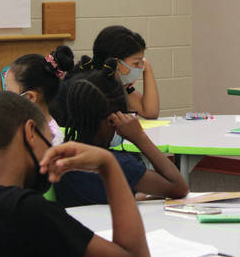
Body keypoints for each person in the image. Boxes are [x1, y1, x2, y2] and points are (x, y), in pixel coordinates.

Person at [0, 91, 151, 257]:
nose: (51, 149)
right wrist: (108, 166)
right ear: (30, 133)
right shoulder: (27, 210)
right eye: (49, 139)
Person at [54, 63, 188, 207]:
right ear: (112, 120)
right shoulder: (117, 164)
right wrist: (140, 138)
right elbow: (179, 187)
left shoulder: (62, 158)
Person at [54, 25, 159, 120]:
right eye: (136, 63)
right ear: (116, 63)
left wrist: (147, 68)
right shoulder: (89, 87)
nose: (141, 67)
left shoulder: (117, 83)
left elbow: (150, 112)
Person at [4, 46, 74, 145]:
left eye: (8, 91)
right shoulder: (20, 125)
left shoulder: (52, 140)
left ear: (29, 98)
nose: (4, 97)